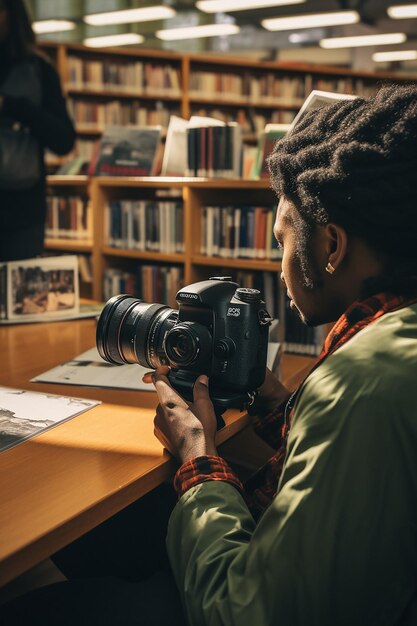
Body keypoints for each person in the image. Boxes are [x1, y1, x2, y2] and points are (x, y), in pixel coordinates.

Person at [2, 85, 417, 625]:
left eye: (282, 240)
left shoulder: (364, 382)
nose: (280, 264)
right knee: (104, 527)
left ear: (331, 247)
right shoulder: (388, 338)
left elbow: (245, 612)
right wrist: (280, 408)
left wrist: (199, 457)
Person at [0, 0, 75, 262]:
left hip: (22, 209)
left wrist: (13, 106)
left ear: (12, 16)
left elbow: (64, 140)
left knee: (20, 297)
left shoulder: (39, 70)